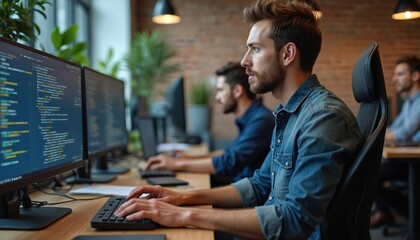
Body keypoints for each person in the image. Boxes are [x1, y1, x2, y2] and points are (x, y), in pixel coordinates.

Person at [115, 1, 362, 239]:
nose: (244, 61)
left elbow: (294, 220)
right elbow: (258, 186)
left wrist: (184, 214)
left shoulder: (323, 118)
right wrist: (181, 198)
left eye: (255, 48)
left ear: (287, 54)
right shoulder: (290, 114)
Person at [146, 62, 274, 186]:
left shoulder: (261, 120)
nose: (217, 98)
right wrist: (188, 158)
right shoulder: (251, 117)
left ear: (237, 91)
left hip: (245, 194)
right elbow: (228, 152)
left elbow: (230, 162)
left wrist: (177, 164)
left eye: (220, 90)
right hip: (237, 184)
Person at [370, 55, 420, 228]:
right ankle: (388, 212)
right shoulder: (409, 102)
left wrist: (371, 138)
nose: (394, 79)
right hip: (406, 157)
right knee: (370, 170)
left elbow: (404, 133)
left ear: (415, 76)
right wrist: (374, 135)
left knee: (369, 176)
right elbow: (394, 128)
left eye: (399, 74)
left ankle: (410, 214)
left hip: (415, 161)